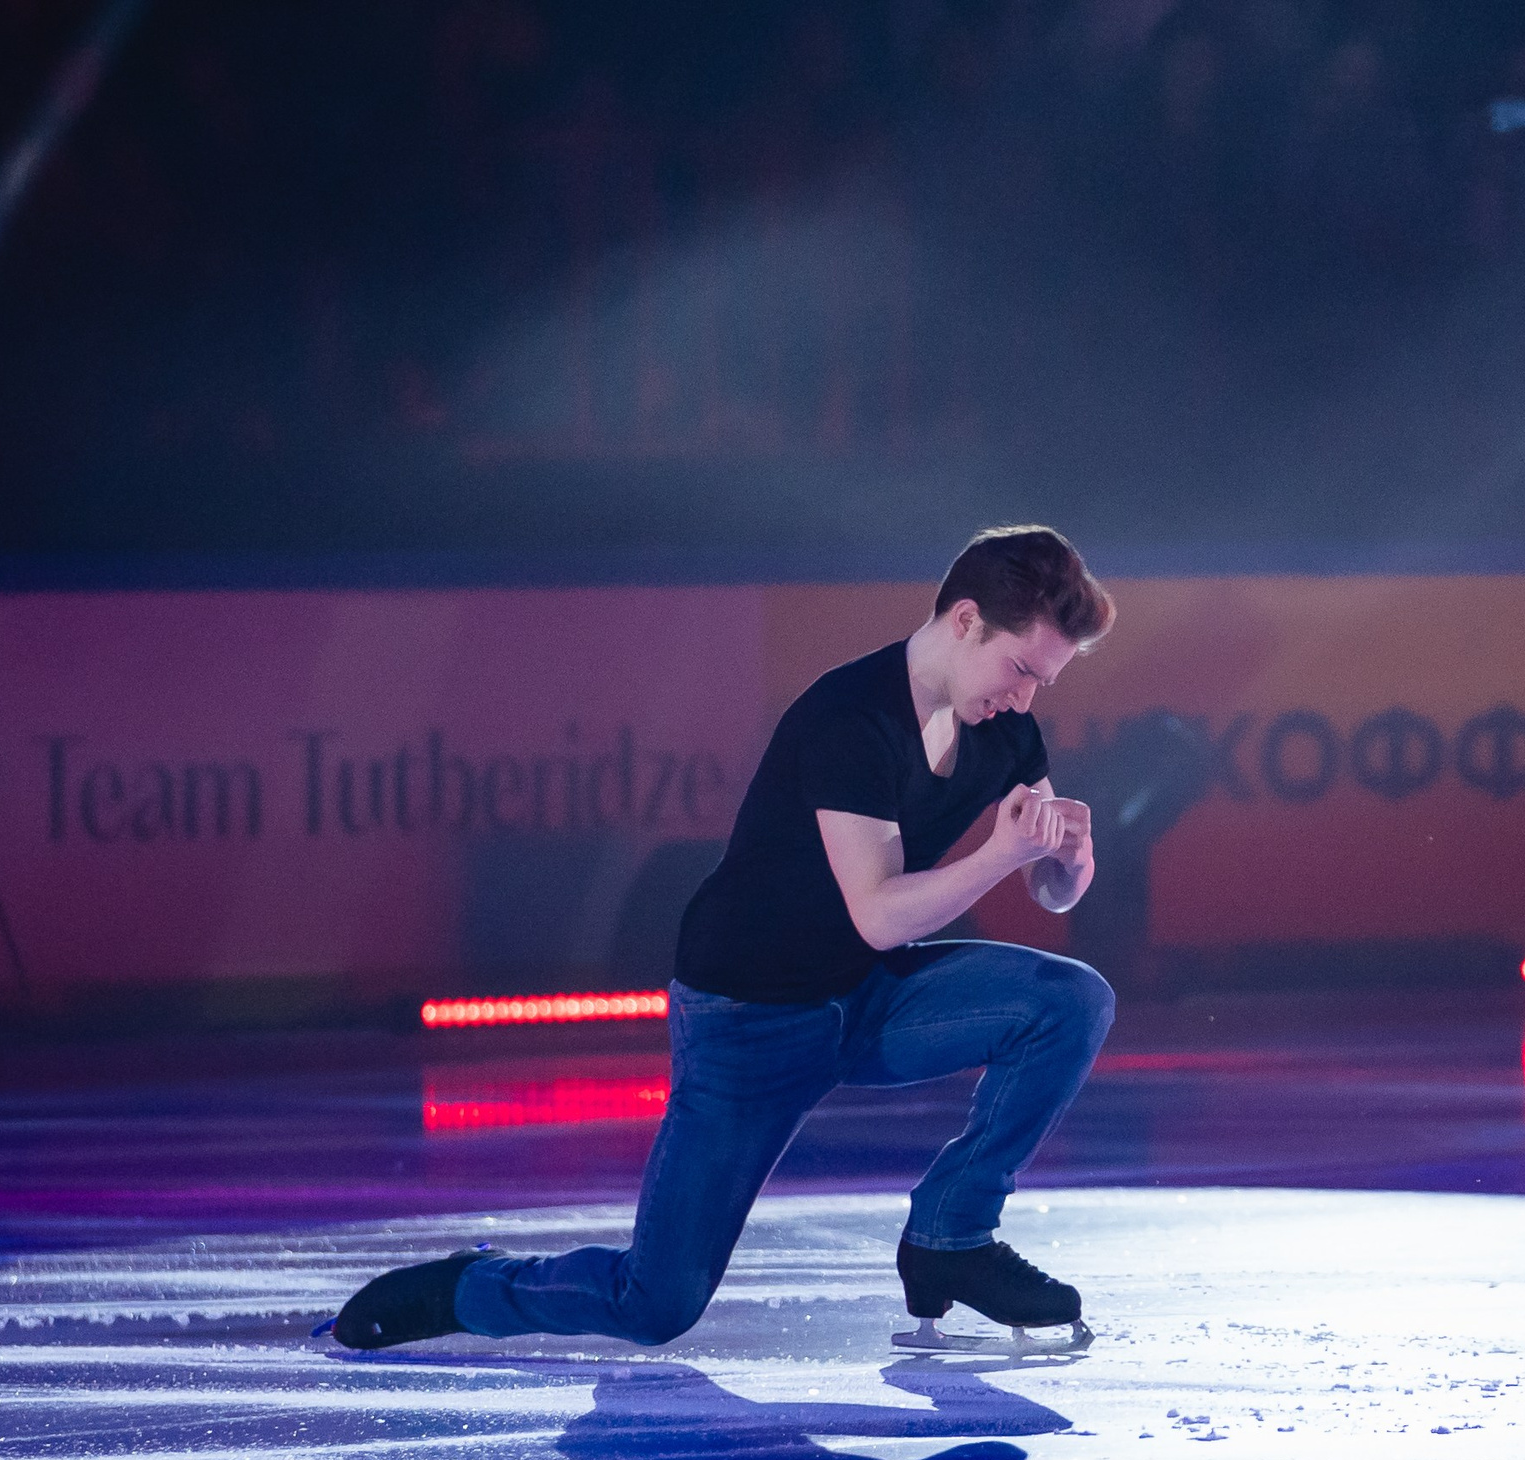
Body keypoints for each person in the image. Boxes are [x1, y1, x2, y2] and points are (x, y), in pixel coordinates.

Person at [332, 525, 1117, 1351]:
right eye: (1020, 669)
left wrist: (1069, 858)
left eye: (1043, 681)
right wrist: (999, 854)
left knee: (1071, 1002)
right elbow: (880, 912)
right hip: (750, 1019)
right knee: (655, 1303)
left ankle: (951, 1236)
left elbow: (1047, 886)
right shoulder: (849, 715)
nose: (1025, 698)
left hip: (868, 996)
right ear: (965, 621)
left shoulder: (1003, 729)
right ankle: (466, 1288)